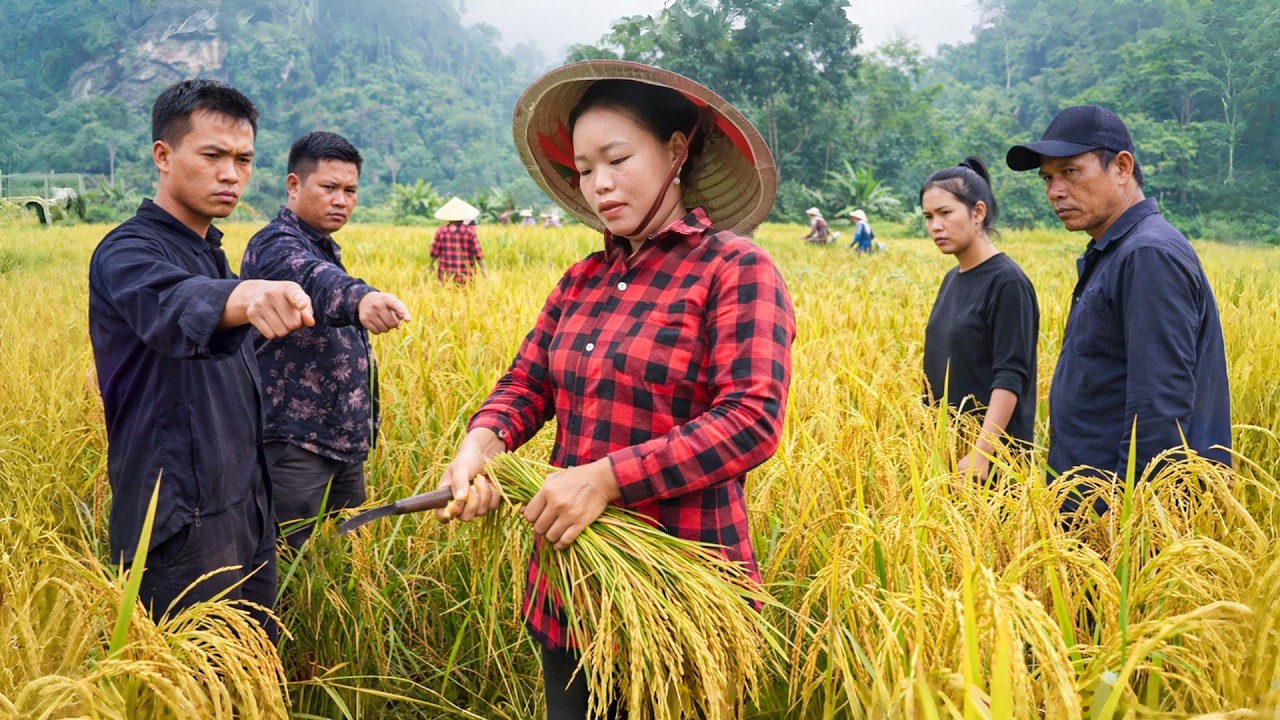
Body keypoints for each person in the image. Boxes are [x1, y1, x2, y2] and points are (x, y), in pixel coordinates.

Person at [434, 60, 795, 718]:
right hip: (568, 591)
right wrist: (480, 444)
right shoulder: (581, 281)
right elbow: (526, 384)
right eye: (584, 168)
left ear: (676, 150)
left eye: (616, 158)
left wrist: (606, 478)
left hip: (681, 593)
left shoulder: (736, 268)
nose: (599, 183)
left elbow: (751, 419)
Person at [88, 79, 315, 641]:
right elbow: (174, 302)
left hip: (246, 511)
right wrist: (247, 294)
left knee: (249, 669)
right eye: (212, 155)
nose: (231, 174)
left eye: (243, 159)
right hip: (179, 524)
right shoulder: (128, 252)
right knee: (191, 683)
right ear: (163, 156)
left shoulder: (210, 252)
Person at [1006, 104, 1230, 513]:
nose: (1054, 191)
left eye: (1070, 172)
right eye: (1048, 178)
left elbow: (1158, 408)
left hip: (1117, 524)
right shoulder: (1117, 251)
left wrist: (1131, 527)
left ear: (1122, 167)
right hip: (1091, 509)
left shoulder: (1147, 255)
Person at [239, 131, 410, 548]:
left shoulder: (322, 246)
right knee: (285, 559)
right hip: (295, 443)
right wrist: (362, 299)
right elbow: (313, 280)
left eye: (350, 190)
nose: (341, 200)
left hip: (342, 442)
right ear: (294, 185)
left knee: (340, 558)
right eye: (329, 187)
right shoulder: (275, 244)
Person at [920, 156, 1039, 480]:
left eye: (945, 213)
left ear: (978, 212)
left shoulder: (1007, 283)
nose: (935, 226)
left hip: (991, 465)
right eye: (928, 217)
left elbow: (1011, 374)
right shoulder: (952, 279)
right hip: (949, 455)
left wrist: (981, 452)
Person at [430, 196, 486, 284]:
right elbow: (478, 253)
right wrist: (483, 268)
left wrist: (430, 265)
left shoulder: (441, 231)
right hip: (466, 275)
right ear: (464, 216)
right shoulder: (470, 231)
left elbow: (434, 253)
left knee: (445, 296)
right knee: (467, 296)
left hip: (445, 275)